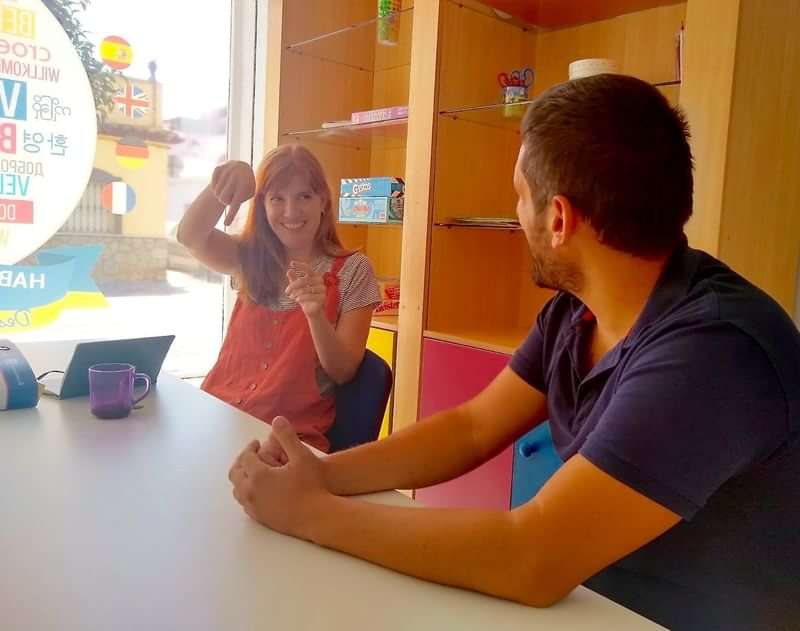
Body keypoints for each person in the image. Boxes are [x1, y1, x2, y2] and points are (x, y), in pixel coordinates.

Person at [228, 75, 800, 630]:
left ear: (558, 219)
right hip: (593, 603)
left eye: (520, 198)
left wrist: (310, 513)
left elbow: (534, 556)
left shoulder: (714, 353)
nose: (515, 214)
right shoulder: (578, 309)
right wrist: (323, 473)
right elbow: (473, 427)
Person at [178, 144, 380, 452]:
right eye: (277, 198)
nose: (291, 212)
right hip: (218, 421)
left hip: (286, 443)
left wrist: (315, 314)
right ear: (262, 206)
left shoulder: (353, 270)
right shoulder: (249, 258)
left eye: (304, 197)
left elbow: (343, 371)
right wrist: (226, 183)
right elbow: (189, 236)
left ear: (323, 201)